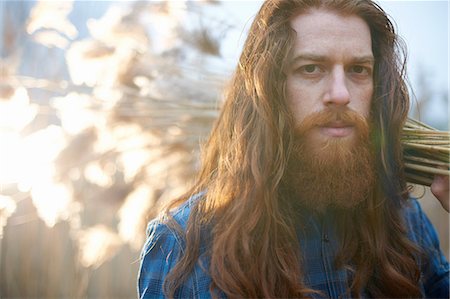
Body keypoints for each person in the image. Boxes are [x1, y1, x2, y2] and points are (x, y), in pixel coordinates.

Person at [138, 0, 449, 298]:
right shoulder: (182, 246)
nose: (341, 94)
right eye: (311, 68)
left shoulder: (405, 221)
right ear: (268, 89)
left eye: (358, 69)